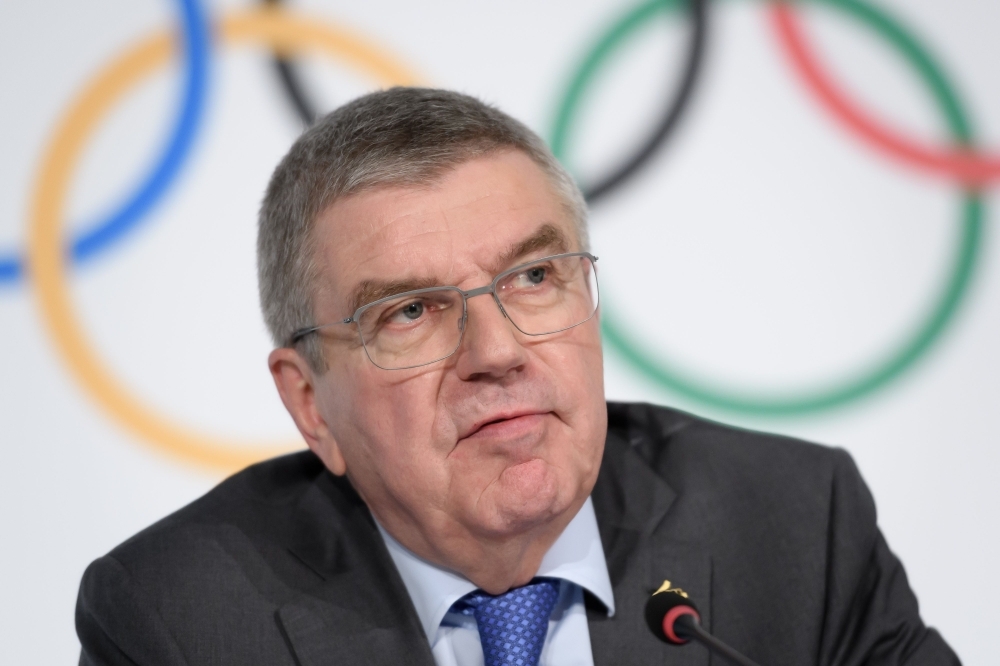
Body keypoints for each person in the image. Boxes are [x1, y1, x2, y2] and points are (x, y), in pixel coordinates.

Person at [75, 87, 960, 666]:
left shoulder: (797, 526)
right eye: (410, 311)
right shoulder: (175, 623)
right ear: (311, 405)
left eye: (534, 278)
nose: (496, 352)